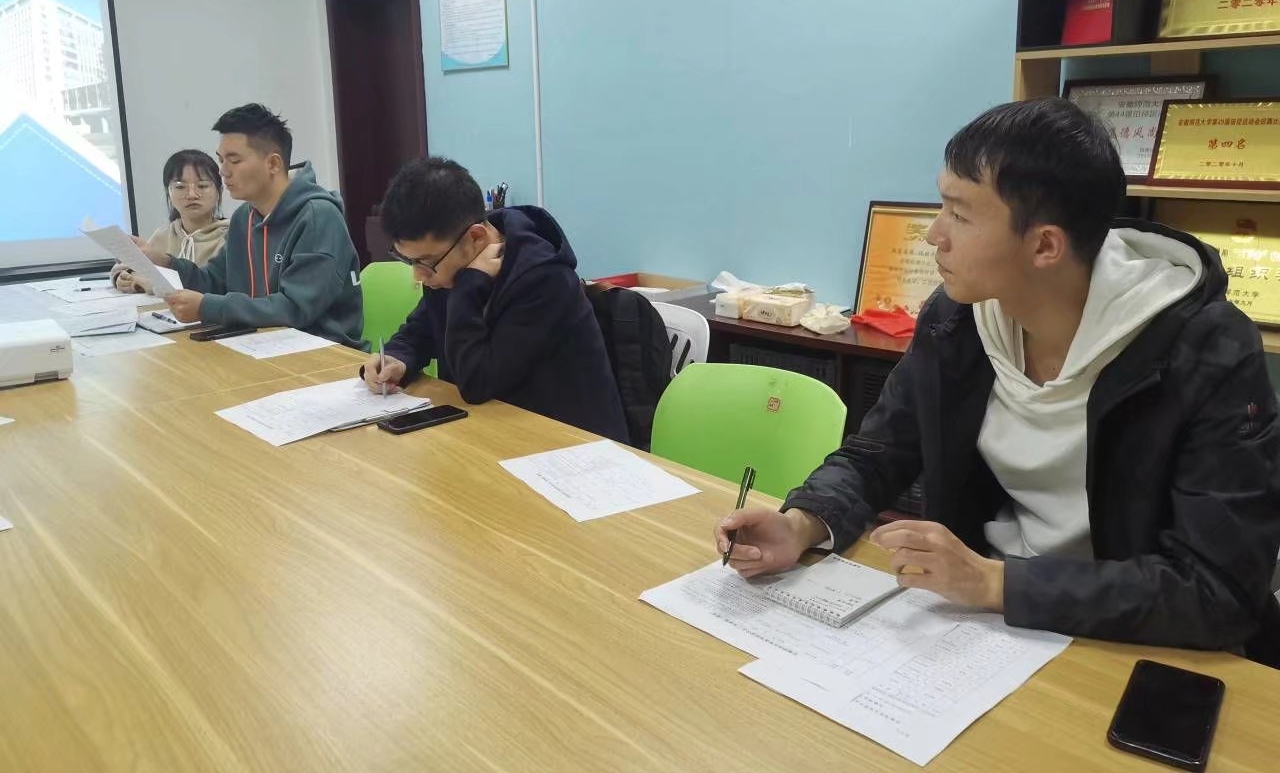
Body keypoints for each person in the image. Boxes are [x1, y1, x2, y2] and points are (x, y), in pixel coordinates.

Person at [716, 98, 1280, 663]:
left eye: (960, 215)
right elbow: (876, 453)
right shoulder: (958, 319)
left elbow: (1218, 589)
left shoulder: (1205, 350)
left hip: (1128, 643)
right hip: (994, 629)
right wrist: (802, 523)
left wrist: (993, 582)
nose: (933, 235)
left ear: (1044, 245)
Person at [361, 156, 628, 443]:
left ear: (476, 237)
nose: (418, 275)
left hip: (570, 446)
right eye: (408, 260)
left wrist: (468, 288)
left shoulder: (543, 279)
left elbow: (477, 382)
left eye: (424, 262)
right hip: (493, 432)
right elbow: (421, 330)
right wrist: (398, 358)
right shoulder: (450, 262)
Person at [134, 103, 366, 349]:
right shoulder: (244, 217)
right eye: (221, 160)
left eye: (234, 160)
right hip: (260, 345)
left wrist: (207, 307)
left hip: (323, 353)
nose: (223, 171)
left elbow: (295, 308)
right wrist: (164, 261)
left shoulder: (318, 217)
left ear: (273, 164)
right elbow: (214, 281)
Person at [114, 149, 229, 293]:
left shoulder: (229, 236)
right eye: (180, 187)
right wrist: (124, 277)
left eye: (202, 186)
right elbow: (127, 267)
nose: (192, 195)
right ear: (168, 192)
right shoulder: (163, 235)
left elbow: (214, 285)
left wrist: (149, 284)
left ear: (219, 191)